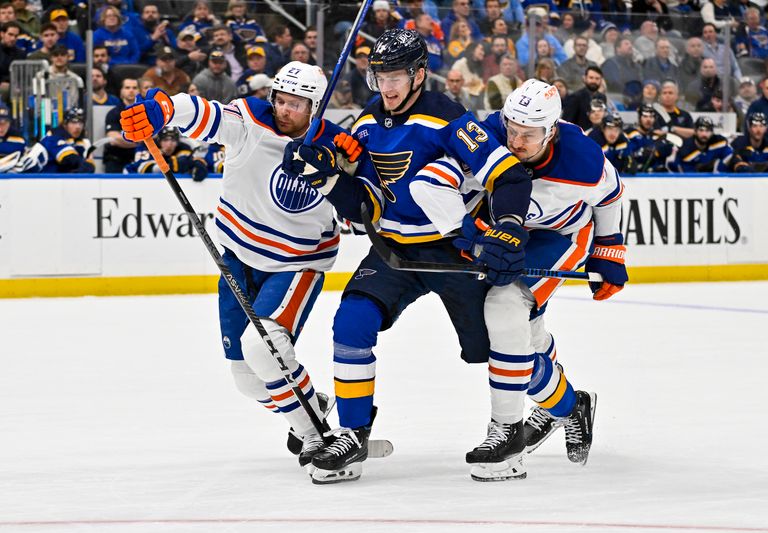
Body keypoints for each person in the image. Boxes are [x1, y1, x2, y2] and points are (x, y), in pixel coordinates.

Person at [283, 28, 532, 484]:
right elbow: (367, 206)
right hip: (395, 252)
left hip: (453, 250)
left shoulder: (449, 117)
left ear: (419, 74)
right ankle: (352, 433)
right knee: (351, 322)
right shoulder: (366, 123)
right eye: (380, 75)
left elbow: (511, 177)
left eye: (396, 75)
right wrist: (326, 180)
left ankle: (549, 410)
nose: (388, 86)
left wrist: (510, 227)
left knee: (501, 345)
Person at [118, 61, 362, 470]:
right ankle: (312, 406)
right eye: (280, 100)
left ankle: (321, 437)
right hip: (238, 259)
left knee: (262, 348)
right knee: (245, 378)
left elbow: (360, 212)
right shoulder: (249, 119)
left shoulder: (336, 146)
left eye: (297, 104)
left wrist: (355, 169)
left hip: (296, 263)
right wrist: (163, 111)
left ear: (316, 107)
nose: (285, 110)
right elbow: (204, 114)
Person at [472, 78, 623, 472]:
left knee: (505, 308)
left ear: (552, 130)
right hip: (511, 232)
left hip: (563, 234)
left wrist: (609, 249)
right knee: (523, 330)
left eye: (529, 134)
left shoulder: (581, 158)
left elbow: (610, 194)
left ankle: (508, 433)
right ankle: (569, 405)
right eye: (513, 130)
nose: (516, 142)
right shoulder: (489, 134)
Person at [15, 107, 94, 173]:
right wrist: (84, 165)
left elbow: (89, 166)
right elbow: (69, 160)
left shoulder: (82, 141)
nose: (78, 127)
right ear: (65, 124)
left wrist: (86, 166)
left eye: (80, 123)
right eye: (73, 122)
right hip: (29, 176)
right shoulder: (53, 136)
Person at [124, 126, 207, 180]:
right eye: (166, 140)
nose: (169, 143)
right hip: (134, 181)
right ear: (159, 141)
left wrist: (198, 163)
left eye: (173, 140)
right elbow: (141, 168)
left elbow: (187, 162)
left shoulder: (183, 147)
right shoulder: (147, 146)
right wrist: (169, 166)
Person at [103, 78, 140, 172]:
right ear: (122, 91)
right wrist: (140, 140)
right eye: (127, 87)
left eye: (134, 88)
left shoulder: (145, 113)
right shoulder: (113, 113)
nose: (131, 90)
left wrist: (125, 140)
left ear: (139, 91)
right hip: (116, 159)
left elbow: (154, 136)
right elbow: (114, 139)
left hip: (138, 159)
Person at [626, 103, 674, 172]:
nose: (648, 119)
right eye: (645, 116)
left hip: (655, 178)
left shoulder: (658, 136)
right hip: (634, 177)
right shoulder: (629, 134)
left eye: (651, 117)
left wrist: (659, 150)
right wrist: (641, 153)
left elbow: (667, 152)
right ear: (639, 118)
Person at [561, 66, 606, 131]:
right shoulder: (575, 97)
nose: (594, 81)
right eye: (591, 78)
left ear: (601, 80)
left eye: (597, 78)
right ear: (585, 78)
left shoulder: (602, 97)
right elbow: (566, 123)